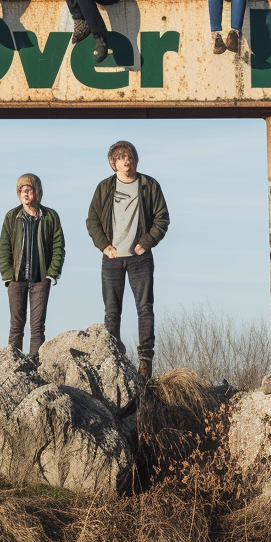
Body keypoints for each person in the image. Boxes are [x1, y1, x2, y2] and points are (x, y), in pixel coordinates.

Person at [85, 141, 169, 383]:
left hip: (140, 258)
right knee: (112, 312)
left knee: (145, 309)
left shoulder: (149, 185)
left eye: (129, 156)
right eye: (121, 157)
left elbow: (162, 218)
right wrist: (104, 246)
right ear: (114, 163)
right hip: (112, 258)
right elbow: (92, 221)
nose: (126, 160)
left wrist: (147, 241)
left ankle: (145, 362)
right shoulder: (104, 188)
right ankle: (114, 359)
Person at [0, 174, 65, 358]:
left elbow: (59, 247)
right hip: (16, 279)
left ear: (38, 192)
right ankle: (13, 363)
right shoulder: (12, 217)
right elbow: (3, 247)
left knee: (37, 327)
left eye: (29, 190)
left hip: (41, 279)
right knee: (16, 325)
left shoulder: (50, 216)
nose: (25, 194)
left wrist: (52, 273)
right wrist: (7, 275)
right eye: (22, 191)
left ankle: (36, 364)